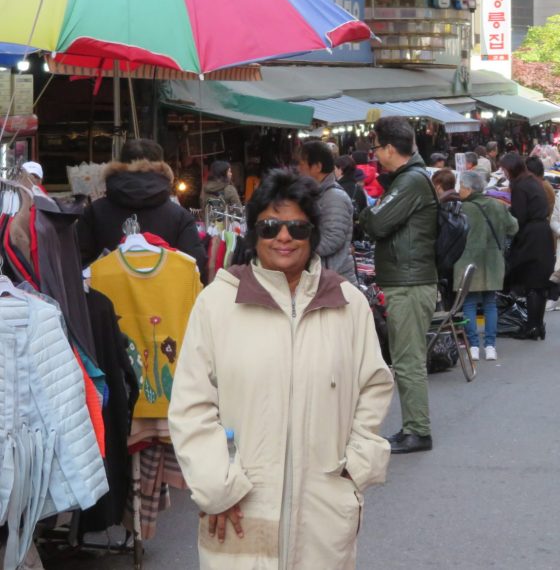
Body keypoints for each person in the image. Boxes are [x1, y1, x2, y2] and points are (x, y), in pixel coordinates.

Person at [168, 169, 393, 570]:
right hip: (239, 507)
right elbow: (191, 406)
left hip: (324, 510)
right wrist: (217, 486)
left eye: (297, 227)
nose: (283, 237)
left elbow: (373, 387)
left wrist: (356, 466)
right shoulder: (218, 303)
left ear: (313, 233)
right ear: (253, 233)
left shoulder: (346, 303)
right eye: (270, 226)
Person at [360, 117, 438, 454]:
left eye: (376, 147)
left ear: (390, 148)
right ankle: (412, 427)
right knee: (406, 359)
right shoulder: (408, 180)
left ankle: (418, 431)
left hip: (409, 281)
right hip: (407, 279)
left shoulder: (411, 182)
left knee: (408, 361)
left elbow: (376, 223)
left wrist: (367, 214)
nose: (375, 154)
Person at [77, 138, 207, 279]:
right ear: (162, 168)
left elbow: (75, 266)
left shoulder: (94, 212)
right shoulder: (180, 216)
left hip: (105, 298)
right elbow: (195, 269)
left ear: (118, 165)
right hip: (165, 298)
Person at [454, 171, 519, 360]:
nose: (459, 191)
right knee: (490, 303)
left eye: (461, 187)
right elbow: (513, 227)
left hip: (467, 262)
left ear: (467, 188)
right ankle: (490, 346)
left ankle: (473, 346)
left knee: (469, 303)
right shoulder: (497, 206)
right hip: (492, 262)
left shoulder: (462, 208)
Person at [500, 152, 555, 340]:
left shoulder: (520, 186)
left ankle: (532, 327)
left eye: (504, 169)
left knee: (531, 283)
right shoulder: (533, 181)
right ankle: (538, 325)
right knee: (539, 284)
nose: (503, 172)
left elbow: (519, 217)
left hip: (531, 237)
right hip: (543, 234)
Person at [298, 141, 357, 285]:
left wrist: (300, 247)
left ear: (317, 166)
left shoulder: (334, 197)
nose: (298, 169)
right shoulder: (318, 193)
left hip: (336, 278)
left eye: (302, 163)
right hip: (326, 276)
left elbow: (332, 239)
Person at [431, 168, 461, 310]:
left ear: (437, 185)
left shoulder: (441, 206)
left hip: (442, 263)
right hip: (454, 259)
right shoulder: (457, 203)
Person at [334, 155, 368, 240]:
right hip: (356, 233)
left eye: (335, 168)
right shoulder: (358, 189)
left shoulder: (336, 189)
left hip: (339, 232)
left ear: (340, 169)